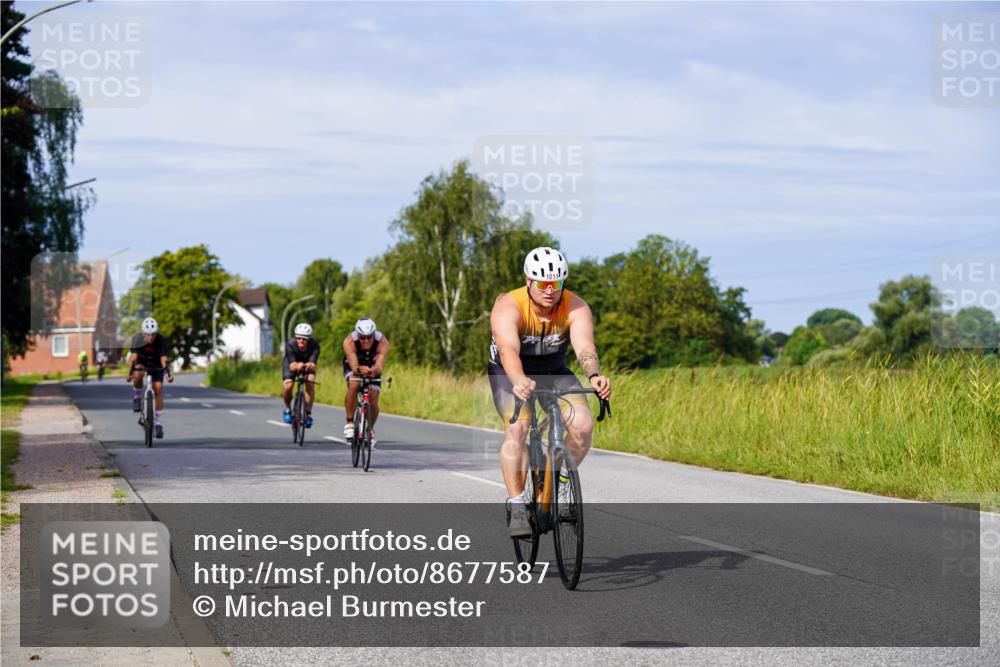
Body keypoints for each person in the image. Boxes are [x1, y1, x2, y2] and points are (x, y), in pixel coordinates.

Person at [488, 246, 612, 536]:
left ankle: (559, 477)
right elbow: (508, 350)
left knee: (582, 425)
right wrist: (518, 379)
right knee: (517, 430)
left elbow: (584, 347)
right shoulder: (509, 306)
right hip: (509, 371)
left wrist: (594, 375)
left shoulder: (575, 306)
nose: (549, 291)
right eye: (543, 284)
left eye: (556, 284)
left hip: (554, 371)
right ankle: (517, 505)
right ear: (528, 280)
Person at [342, 318, 389, 447]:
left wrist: (376, 369)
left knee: (373, 396)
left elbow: (379, 362)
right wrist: (358, 369)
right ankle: (350, 422)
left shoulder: (382, 341)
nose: (366, 341)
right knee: (354, 384)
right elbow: (354, 366)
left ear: (374, 335)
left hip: (371, 363)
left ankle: (370, 429)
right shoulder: (349, 341)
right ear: (358, 336)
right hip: (355, 362)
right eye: (363, 338)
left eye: (369, 337)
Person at [127, 317, 173, 439]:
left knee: (158, 388)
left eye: (153, 334)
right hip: (142, 361)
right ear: (143, 333)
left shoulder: (161, 340)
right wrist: (130, 373)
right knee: (138, 374)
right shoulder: (137, 339)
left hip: (156, 363)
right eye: (148, 335)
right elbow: (133, 357)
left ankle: (157, 421)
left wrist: (168, 373)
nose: (151, 337)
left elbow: (163, 359)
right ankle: (137, 396)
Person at [281, 323, 320, 427]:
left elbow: (313, 363)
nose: (301, 341)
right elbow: (292, 366)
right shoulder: (290, 344)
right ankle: (288, 409)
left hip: (307, 364)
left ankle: (307, 413)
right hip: (291, 363)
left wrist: (310, 365)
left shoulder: (314, 345)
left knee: (310, 381)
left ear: (309, 339)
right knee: (288, 386)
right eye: (298, 338)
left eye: (304, 339)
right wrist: (298, 365)